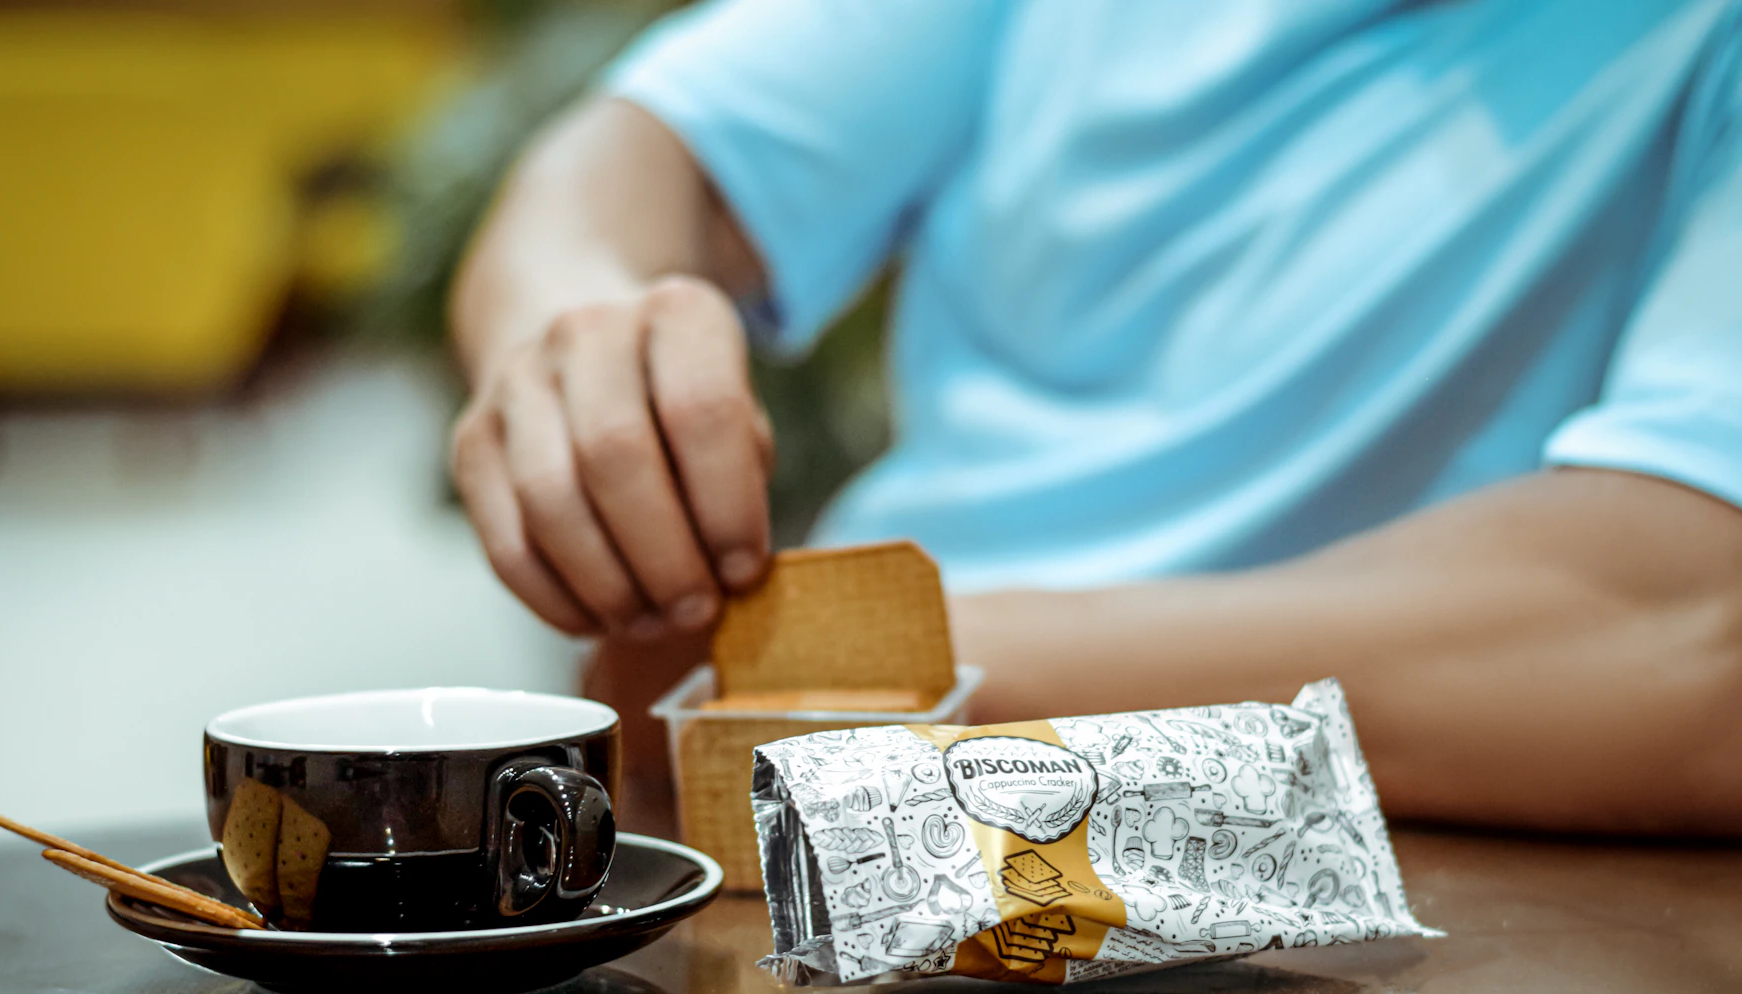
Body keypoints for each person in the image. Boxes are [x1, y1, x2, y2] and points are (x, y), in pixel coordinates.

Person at [447, 0, 1742, 836]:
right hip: (815, 832)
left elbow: (1692, 638)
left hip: (1340, 920)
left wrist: (834, 663)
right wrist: (573, 334)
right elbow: (628, 158)